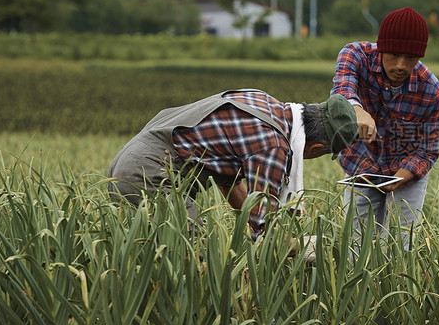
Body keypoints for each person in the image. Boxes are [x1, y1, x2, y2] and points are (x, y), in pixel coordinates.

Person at [108, 89, 358, 246]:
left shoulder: (263, 102)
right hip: (151, 174)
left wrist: (252, 220)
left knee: (151, 255)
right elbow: (266, 230)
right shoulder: (273, 145)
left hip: (130, 161)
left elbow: (228, 181)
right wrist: (309, 248)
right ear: (315, 148)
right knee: (198, 254)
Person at [331, 6, 439, 248]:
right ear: (381, 48)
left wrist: (400, 177)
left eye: (411, 58)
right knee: (356, 245)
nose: (401, 65)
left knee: (399, 246)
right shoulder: (356, 55)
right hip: (361, 165)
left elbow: (427, 150)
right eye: (393, 55)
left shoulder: (431, 90)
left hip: (406, 172)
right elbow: (342, 88)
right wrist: (356, 109)